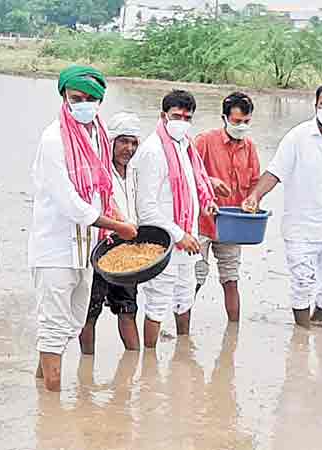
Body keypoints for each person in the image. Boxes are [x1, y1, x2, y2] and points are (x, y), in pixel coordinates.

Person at [28, 66, 137, 392]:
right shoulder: (53, 139)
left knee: (70, 324)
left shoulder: (98, 136)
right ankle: (52, 406)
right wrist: (117, 225)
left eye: (91, 98)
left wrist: (116, 215)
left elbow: (100, 189)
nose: (84, 104)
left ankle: (41, 385)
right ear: (64, 96)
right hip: (56, 248)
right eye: (77, 98)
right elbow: (70, 203)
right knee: (53, 326)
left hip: (87, 247)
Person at [242, 83, 322, 329]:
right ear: (315, 106)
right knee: (302, 282)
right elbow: (275, 172)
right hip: (301, 227)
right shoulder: (297, 137)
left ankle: (317, 322)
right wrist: (255, 196)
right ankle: (302, 335)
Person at [134, 90, 217, 348]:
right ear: (163, 116)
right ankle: (148, 361)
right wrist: (179, 236)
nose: (182, 121)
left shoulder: (185, 146)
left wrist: (207, 202)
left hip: (188, 239)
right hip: (163, 242)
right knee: (157, 301)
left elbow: (192, 185)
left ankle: (183, 349)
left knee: (185, 295)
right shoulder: (153, 150)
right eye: (176, 116)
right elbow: (145, 208)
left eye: (187, 117)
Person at [79, 112, 142, 355]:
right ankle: (86, 370)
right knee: (90, 312)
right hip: (100, 250)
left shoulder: (135, 173)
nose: (129, 148)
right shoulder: (98, 172)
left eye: (134, 142)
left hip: (127, 252)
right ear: (111, 141)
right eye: (123, 141)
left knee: (128, 309)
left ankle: (135, 365)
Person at [194, 92, 261, 323]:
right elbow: (184, 173)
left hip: (233, 224)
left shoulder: (250, 147)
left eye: (246, 122)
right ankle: (182, 333)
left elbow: (255, 183)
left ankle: (234, 332)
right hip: (201, 221)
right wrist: (209, 182)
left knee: (231, 279)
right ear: (224, 118)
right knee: (194, 277)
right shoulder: (204, 141)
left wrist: (252, 199)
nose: (242, 126)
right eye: (236, 121)